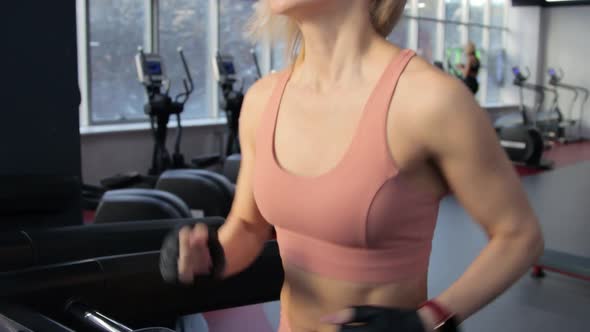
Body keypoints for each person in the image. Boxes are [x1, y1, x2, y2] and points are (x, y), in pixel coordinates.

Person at [175, 1, 543, 331]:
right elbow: (248, 227)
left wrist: (430, 318)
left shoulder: (429, 100)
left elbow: (519, 237)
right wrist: (210, 257)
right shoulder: (261, 100)